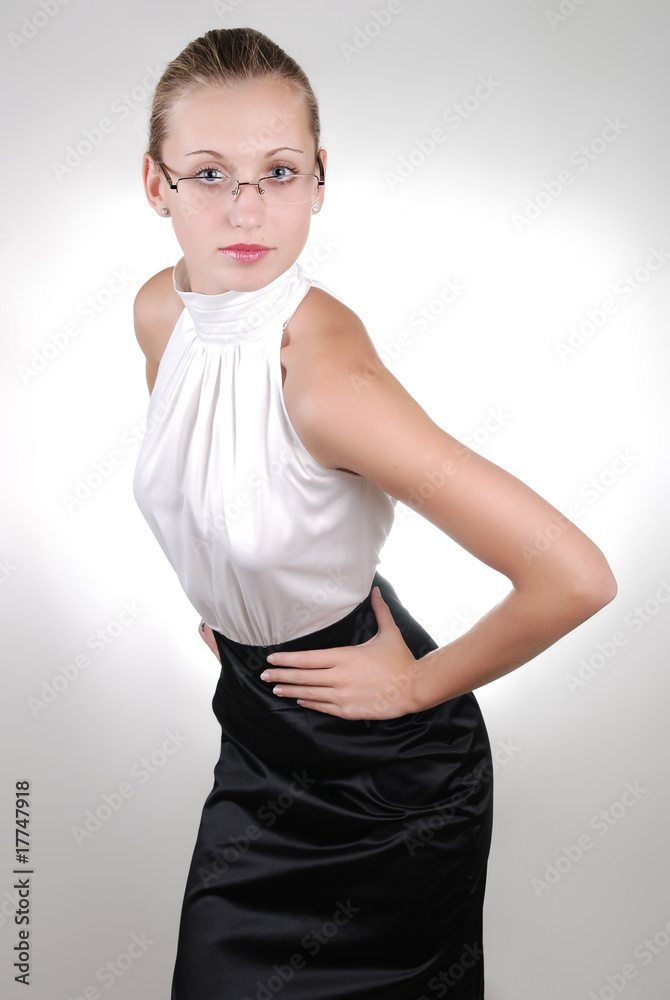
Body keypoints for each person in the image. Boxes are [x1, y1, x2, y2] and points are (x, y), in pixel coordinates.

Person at [132, 26, 617, 1000]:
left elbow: (573, 575)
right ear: (157, 185)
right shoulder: (162, 312)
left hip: (386, 781)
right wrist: (234, 615)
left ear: (319, 180)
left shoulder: (326, 380)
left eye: (279, 171)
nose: (246, 208)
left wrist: (415, 685)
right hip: (260, 729)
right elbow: (209, 486)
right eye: (209, 173)